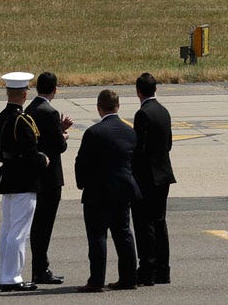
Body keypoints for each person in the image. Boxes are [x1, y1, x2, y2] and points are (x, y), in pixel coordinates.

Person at [75, 89, 141, 292]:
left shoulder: (94, 132)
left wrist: (82, 183)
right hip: (122, 190)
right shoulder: (130, 131)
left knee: (97, 237)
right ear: (118, 106)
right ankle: (129, 278)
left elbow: (82, 163)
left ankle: (96, 280)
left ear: (99, 108)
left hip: (98, 192)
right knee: (123, 234)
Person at [0, 70, 48, 293]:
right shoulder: (22, 120)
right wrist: (42, 160)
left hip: (8, 179)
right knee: (19, 232)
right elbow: (30, 152)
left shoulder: (0, 118)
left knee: (8, 230)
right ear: (24, 94)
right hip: (24, 181)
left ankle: (6, 274)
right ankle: (12, 277)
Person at [24, 71, 73, 285]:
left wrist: (58, 129)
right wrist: (63, 135)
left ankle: (38, 267)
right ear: (54, 89)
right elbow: (58, 146)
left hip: (34, 176)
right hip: (51, 178)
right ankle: (41, 269)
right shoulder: (50, 112)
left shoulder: (30, 109)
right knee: (45, 225)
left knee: (37, 225)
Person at [132, 72, 176, 285]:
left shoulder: (143, 114)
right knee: (160, 222)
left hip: (147, 176)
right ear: (155, 89)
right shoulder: (163, 111)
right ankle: (163, 269)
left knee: (144, 224)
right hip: (164, 174)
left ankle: (147, 269)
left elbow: (139, 148)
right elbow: (168, 143)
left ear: (138, 92)